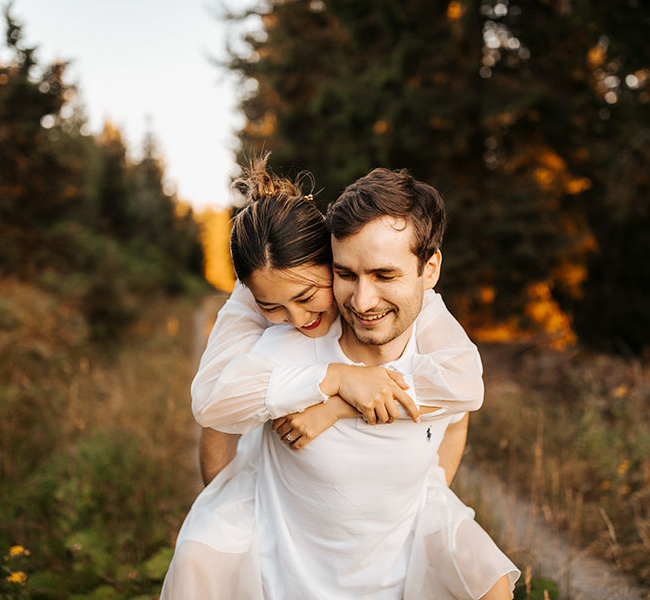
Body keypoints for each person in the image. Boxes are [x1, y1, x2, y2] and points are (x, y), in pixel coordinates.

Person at [161, 160, 518, 598]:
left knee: (488, 580)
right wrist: (333, 377)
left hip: (392, 536)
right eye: (347, 275)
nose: (296, 318)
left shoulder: (428, 318)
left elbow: (464, 393)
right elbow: (216, 404)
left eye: (309, 294)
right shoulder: (272, 318)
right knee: (204, 551)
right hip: (291, 548)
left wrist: (344, 401)